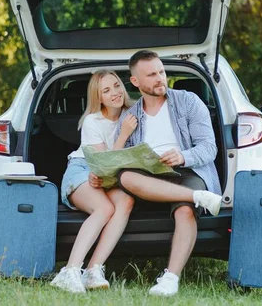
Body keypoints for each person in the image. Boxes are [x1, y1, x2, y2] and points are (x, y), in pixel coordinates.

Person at [89, 50, 223, 297]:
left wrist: (183, 156)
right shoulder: (130, 116)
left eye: (161, 71)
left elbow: (209, 148)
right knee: (127, 177)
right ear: (136, 81)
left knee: (184, 210)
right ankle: (199, 197)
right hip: (147, 177)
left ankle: (170, 278)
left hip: (186, 169)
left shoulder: (189, 101)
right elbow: (121, 161)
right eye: (151, 75)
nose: (160, 78)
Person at [50, 70, 138, 293]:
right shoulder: (92, 121)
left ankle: (93, 270)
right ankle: (69, 271)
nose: (115, 93)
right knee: (104, 208)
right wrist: (123, 134)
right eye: (106, 90)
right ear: (98, 98)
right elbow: (104, 164)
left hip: (113, 176)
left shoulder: (134, 112)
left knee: (126, 202)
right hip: (84, 170)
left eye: (117, 85)